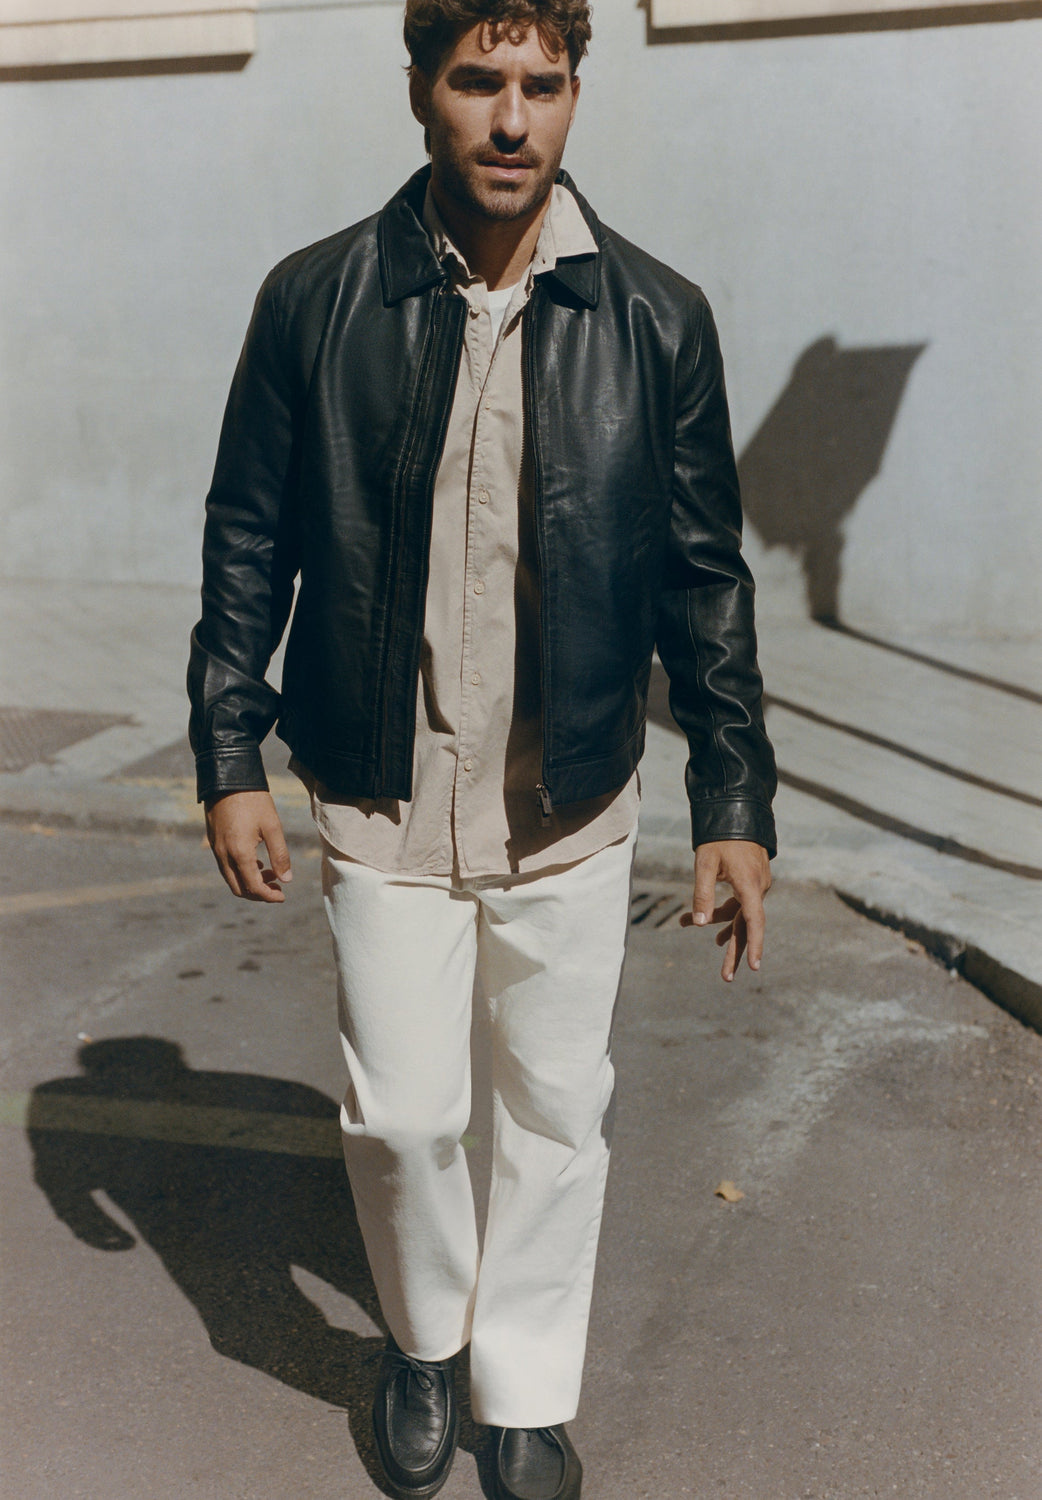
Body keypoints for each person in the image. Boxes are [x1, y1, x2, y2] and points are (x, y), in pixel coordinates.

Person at [188, 1, 777, 1495]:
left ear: (574, 94)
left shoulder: (655, 318)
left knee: (554, 1111)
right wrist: (229, 749)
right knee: (400, 1117)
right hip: (380, 786)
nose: (512, 119)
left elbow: (705, 575)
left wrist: (732, 795)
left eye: (542, 83)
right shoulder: (316, 299)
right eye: (478, 81)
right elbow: (249, 537)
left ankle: (521, 1386)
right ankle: (424, 1335)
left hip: (567, 797)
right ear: (420, 90)